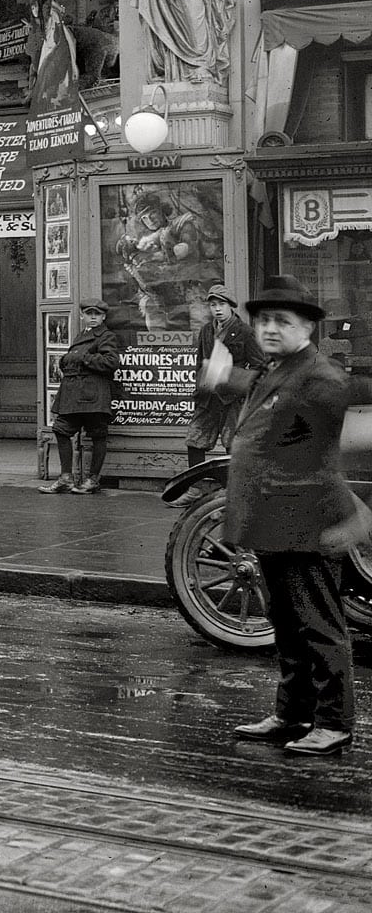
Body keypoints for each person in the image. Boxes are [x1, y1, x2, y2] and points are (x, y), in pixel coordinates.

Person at [204, 274, 369, 758]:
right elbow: (257, 386)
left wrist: (354, 516)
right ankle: (292, 712)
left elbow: (327, 453)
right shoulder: (280, 369)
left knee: (318, 623)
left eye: (283, 321)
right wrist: (222, 376)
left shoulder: (320, 376)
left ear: (308, 329)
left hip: (309, 520)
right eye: (265, 320)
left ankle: (334, 722)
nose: (270, 328)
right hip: (274, 521)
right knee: (287, 622)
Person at [45, 301, 120, 495]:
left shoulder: (106, 336)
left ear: (104, 317)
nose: (93, 317)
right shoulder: (82, 336)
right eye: (89, 313)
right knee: (61, 429)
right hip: (73, 394)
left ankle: (93, 479)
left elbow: (111, 362)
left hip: (93, 394)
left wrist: (84, 358)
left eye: (97, 314)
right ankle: (66, 478)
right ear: (82, 316)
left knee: (97, 434)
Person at [185, 285, 261, 469]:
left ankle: (232, 490)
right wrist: (198, 390)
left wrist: (241, 386)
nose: (217, 309)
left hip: (232, 399)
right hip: (208, 396)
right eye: (213, 305)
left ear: (231, 306)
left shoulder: (245, 332)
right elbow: (199, 362)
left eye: (221, 304)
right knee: (195, 441)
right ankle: (196, 487)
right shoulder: (206, 331)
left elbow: (259, 366)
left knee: (233, 445)